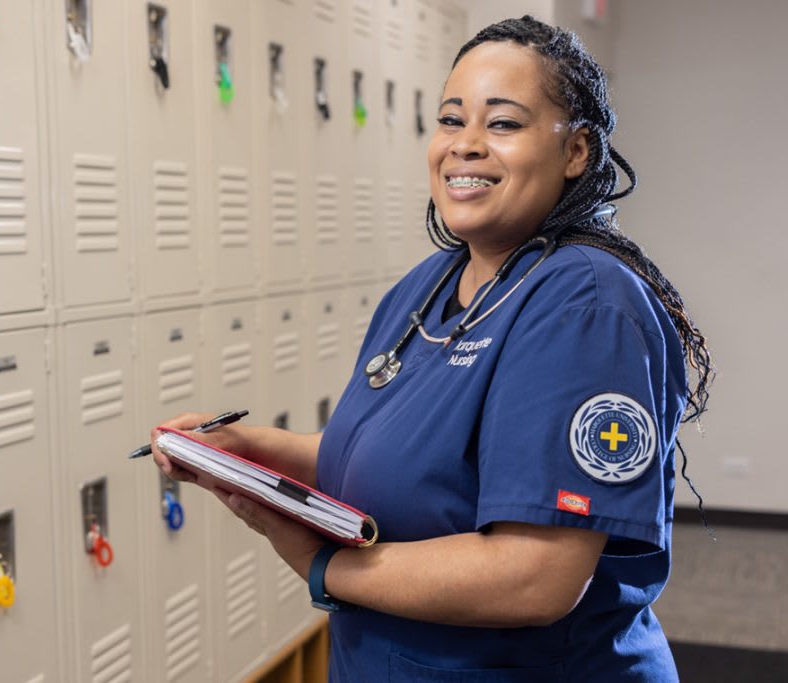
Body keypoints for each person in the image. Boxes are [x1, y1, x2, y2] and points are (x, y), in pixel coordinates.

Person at [151, 16, 711, 682]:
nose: (466, 145)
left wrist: (327, 566)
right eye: (451, 120)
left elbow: (535, 577)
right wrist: (251, 449)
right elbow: (407, 460)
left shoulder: (585, 304)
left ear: (577, 152)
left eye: (502, 124)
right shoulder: (429, 285)